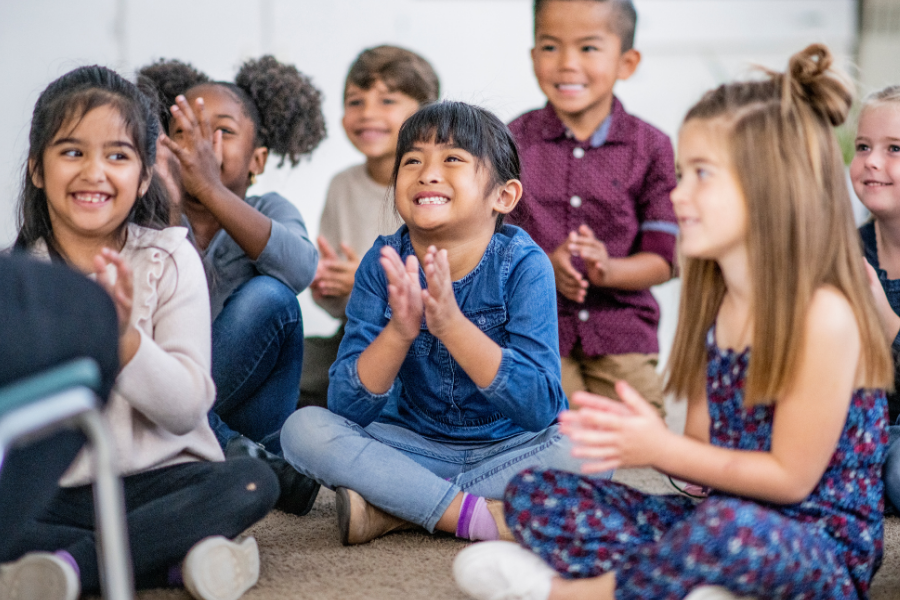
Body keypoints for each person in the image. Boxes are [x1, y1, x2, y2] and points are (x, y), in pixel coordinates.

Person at [454, 44, 893, 600]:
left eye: (702, 175)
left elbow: (791, 479)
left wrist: (659, 448)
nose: (678, 195)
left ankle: (576, 595)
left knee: (720, 531)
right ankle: (686, 585)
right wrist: (648, 446)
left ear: (772, 187)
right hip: (726, 517)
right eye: (682, 174)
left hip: (817, 548)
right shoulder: (721, 305)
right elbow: (707, 465)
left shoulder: (825, 313)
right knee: (534, 494)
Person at [1, 65, 278, 600]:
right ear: (37, 169)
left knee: (251, 482)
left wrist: (123, 338)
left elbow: (183, 411)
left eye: (118, 155)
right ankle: (173, 559)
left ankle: (71, 569)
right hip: (57, 491)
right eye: (72, 151)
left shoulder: (170, 257)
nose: (94, 172)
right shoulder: (20, 278)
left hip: (160, 482)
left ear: (144, 176)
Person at [281, 101, 590, 546]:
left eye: (452, 159)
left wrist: (452, 326)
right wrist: (399, 332)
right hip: (412, 447)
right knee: (303, 430)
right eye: (412, 161)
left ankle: (397, 509)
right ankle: (478, 517)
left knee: (592, 450)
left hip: (507, 450)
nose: (427, 172)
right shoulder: (381, 263)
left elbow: (541, 406)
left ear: (503, 196)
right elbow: (348, 407)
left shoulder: (525, 264)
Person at [139, 57, 325, 514]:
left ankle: (208, 445)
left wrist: (213, 191)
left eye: (220, 131)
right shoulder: (148, 219)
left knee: (272, 297)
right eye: (185, 131)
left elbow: (301, 270)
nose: (201, 145)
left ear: (258, 159)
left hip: (248, 408)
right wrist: (172, 208)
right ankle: (235, 453)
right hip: (180, 398)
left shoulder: (269, 207)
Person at [508, 0, 677, 414]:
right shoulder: (511, 141)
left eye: (588, 48)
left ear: (627, 61)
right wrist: (545, 265)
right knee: (546, 423)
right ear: (533, 56)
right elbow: (490, 246)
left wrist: (608, 270)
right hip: (536, 328)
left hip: (621, 328)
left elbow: (663, 260)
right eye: (550, 47)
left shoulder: (652, 147)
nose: (566, 64)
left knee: (639, 429)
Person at [301, 45, 440, 408]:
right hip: (359, 334)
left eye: (387, 100)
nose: (368, 114)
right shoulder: (341, 185)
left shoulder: (436, 185)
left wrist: (366, 284)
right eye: (355, 101)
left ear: (425, 113)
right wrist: (328, 290)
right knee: (290, 365)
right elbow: (340, 308)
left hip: (430, 340)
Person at [851, 85, 900, 516]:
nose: (871, 161)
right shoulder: (845, 251)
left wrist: (890, 329)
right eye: (863, 146)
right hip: (865, 425)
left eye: (895, 148)